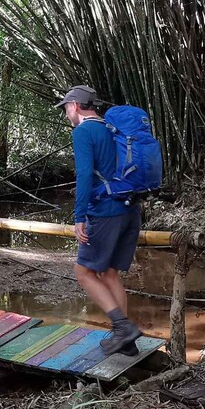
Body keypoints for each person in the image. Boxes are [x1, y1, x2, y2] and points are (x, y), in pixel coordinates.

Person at [55, 85, 144, 355]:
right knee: (109, 273)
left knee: (83, 272)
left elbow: (83, 175)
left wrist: (79, 216)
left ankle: (122, 327)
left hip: (105, 211)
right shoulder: (113, 129)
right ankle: (126, 343)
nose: (65, 114)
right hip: (130, 210)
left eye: (66, 108)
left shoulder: (83, 131)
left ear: (74, 106)